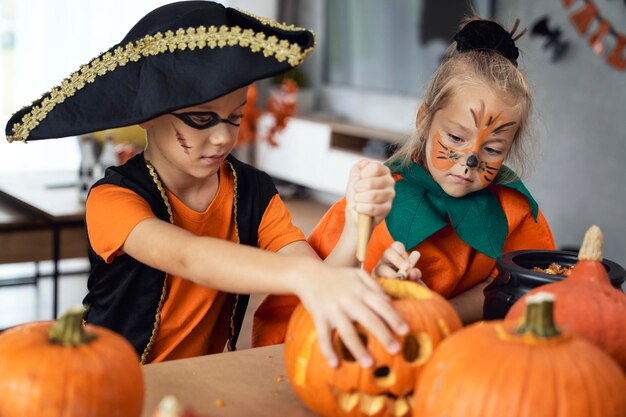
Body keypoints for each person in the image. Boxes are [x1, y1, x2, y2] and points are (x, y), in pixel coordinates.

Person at [4, 1, 407, 366]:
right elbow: (190, 257)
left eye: (235, 117)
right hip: (116, 379)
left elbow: (309, 275)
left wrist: (355, 225)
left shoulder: (253, 191)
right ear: (147, 115)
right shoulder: (112, 200)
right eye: (201, 119)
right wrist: (308, 277)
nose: (223, 138)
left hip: (207, 375)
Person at [252, 17, 556, 344]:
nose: (471, 160)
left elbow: (525, 289)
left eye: (493, 148)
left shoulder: (514, 211)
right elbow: (311, 306)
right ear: (424, 120)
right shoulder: (379, 198)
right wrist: (384, 284)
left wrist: (437, 312)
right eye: (455, 137)